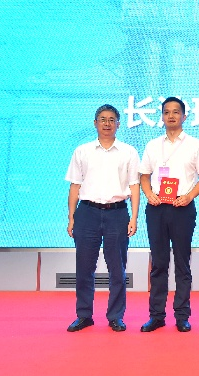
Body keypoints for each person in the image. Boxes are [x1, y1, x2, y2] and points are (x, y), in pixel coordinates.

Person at [65, 104, 140, 333]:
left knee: (117, 268)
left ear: (118, 124)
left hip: (117, 213)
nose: (107, 124)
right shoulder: (82, 151)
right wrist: (71, 217)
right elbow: (75, 186)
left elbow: (134, 186)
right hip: (87, 212)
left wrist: (134, 217)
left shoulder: (128, 152)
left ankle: (115, 316)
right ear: (95, 123)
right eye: (102, 119)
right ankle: (84, 315)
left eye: (111, 120)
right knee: (84, 267)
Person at [139, 97, 199, 333]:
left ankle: (182, 316)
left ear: (184, 116)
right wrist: (149, 194)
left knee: (182, 263)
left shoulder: (195, 145)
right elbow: (144, 176)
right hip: (157, 208)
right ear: (162, 116)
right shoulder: (152, 145)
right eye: (167, 112)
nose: (171, 116)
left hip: (182, 208)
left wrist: (189, 196)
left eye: (176, 112)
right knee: (158, 264)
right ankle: (156, 316)